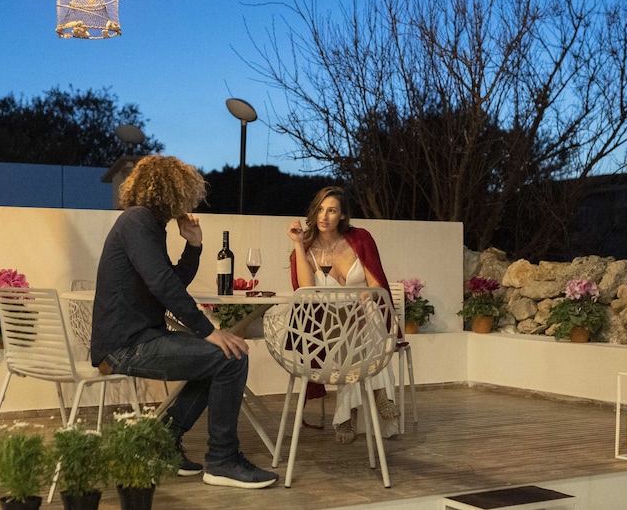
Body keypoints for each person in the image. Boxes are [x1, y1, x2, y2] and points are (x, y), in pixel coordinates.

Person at [90, 155, 278, 489]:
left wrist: (194, 245)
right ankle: (222, 460)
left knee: (222, 358)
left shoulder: (148, 225)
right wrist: (208, 331)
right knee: (230, 357)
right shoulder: (137, 220)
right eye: (188, 193)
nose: (191, 201)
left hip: (140, 339)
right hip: (125, 346)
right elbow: (163, 285)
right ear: (173, 190)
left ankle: (162, 442)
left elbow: (171, 282)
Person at [286, 185, 401, 443]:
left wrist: (365, 298)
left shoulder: (360, 239)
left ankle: (347, 417)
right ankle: (380, 394)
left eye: (332, 211)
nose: (324, 216)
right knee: (347, 333)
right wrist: (297, 244)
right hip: (325, 327)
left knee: (362, 320)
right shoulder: (306, 248)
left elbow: (377, 285)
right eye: (320, 210)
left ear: (342, 215)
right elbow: (306, 290)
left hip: (364, 319)